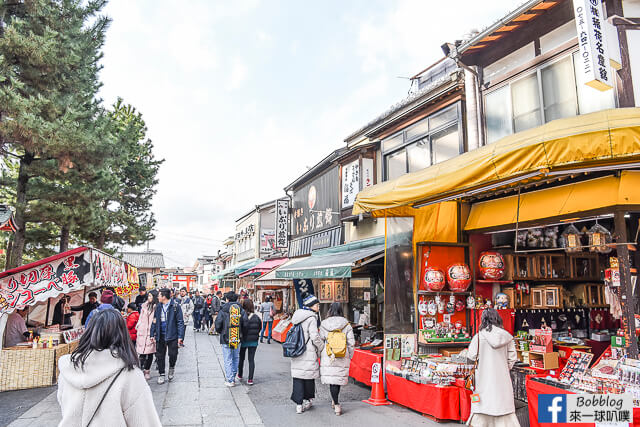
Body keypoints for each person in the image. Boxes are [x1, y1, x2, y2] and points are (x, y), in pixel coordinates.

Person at [57, 309, 162, 427]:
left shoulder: (69, 369)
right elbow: (144, 421)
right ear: (123, 334)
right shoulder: (130, 375)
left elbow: (63, 405)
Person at [466, 308, 519, 427]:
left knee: (482, 404)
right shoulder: (507, 337)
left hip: (482, 377)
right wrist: (505, 368)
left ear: (483, 320)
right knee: (503, 404)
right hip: (502, 377)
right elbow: (512, 357)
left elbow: (471, 356)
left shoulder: (478, 337)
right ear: (497, 319)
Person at [319, 302, 355, 416]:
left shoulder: (324, 324)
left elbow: (320, 340)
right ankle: (336, 402)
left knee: (332, 380)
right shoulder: (346, 325)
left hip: (329, 355)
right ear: (341, 310)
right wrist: (350, 355)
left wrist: (321, 353)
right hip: (342, 354)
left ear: (330, 310)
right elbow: (351, 343)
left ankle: (336, 403)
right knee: (337, 379)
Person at [289, 294, 323, 414]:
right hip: (308, 352)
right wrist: (321, 347)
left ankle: (299, 405)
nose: (318, 307)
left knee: (298, 377)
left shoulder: (296, 316)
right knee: (308, 377)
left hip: (297, 350)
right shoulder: (311, 318)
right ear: (311, 305)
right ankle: (308, 400)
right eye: (317, 305)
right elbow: (314, 337)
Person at [150, 288, 185, 384]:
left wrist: (180, 337)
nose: (157, 297)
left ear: (164, 297)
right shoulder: (158, 307)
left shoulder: (175, 306)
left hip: (172, 334)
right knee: (160, 355)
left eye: (159, 295)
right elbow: (154, 320)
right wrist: (152, 333)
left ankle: (171, 367)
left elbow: (180, 322)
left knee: (173, 354)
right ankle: (161, 374)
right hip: (160, 334)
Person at [215, 291, 246, 387]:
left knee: (228, 358)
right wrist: (241, 334)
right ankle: (233, 376)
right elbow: (245, 324)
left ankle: (230, 380)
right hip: (237, 337)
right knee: (236, 357)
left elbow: (218, 324)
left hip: (225, 337)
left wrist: (221, 332)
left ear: (227, 299)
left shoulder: (223, 309)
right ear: (236, 299)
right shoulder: (241, 310)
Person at [238, 298, 261, 385]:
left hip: (243, 340)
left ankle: (240, 375)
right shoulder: (256, 317)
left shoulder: (241, 316)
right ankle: (250, 379)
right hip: (253, 341)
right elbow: (259, 328)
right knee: (251, 360)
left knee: (241, 358)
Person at [137, 290, 158, 380]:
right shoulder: (144, 306)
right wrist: (138, 326)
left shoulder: (157, 307)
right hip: (142, 332)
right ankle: (139, 370)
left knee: (149, 354)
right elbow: (140, 318)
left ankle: (147, 371)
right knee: (141, 353)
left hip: (151, 333)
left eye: (150, 296)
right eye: (148, 296)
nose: (148, 297)